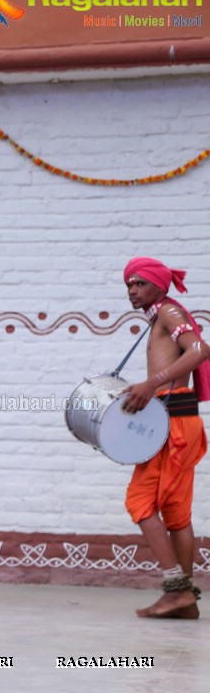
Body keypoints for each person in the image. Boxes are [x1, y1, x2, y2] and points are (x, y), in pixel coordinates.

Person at [121, 257, 209, 619]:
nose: (132, 291)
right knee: (176, 514)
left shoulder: (169, 312)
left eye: (139, 284)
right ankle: (184, 603)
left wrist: (153, 383)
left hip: (171, 425)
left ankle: (176, 591)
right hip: (179, 422)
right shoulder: (161, 316)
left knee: (139, 501)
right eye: (128, 285)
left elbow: (201, 350)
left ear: (159, 285)